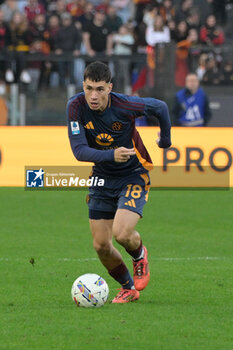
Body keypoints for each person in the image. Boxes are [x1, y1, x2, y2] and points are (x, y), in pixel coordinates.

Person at [67, 61, 171, 303]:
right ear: (83, 85)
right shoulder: (75, 106)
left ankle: (139, 254)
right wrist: (110, 155)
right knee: (101, 245)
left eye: (100, 89)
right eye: (89, 88)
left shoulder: (125, 104)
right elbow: (79, 151)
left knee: (122, 233)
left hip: (133, 173)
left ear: (110, 88)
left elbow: (161, 107)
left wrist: (165, 140)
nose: (93, 96)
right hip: (102, 177)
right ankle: (128, 287)